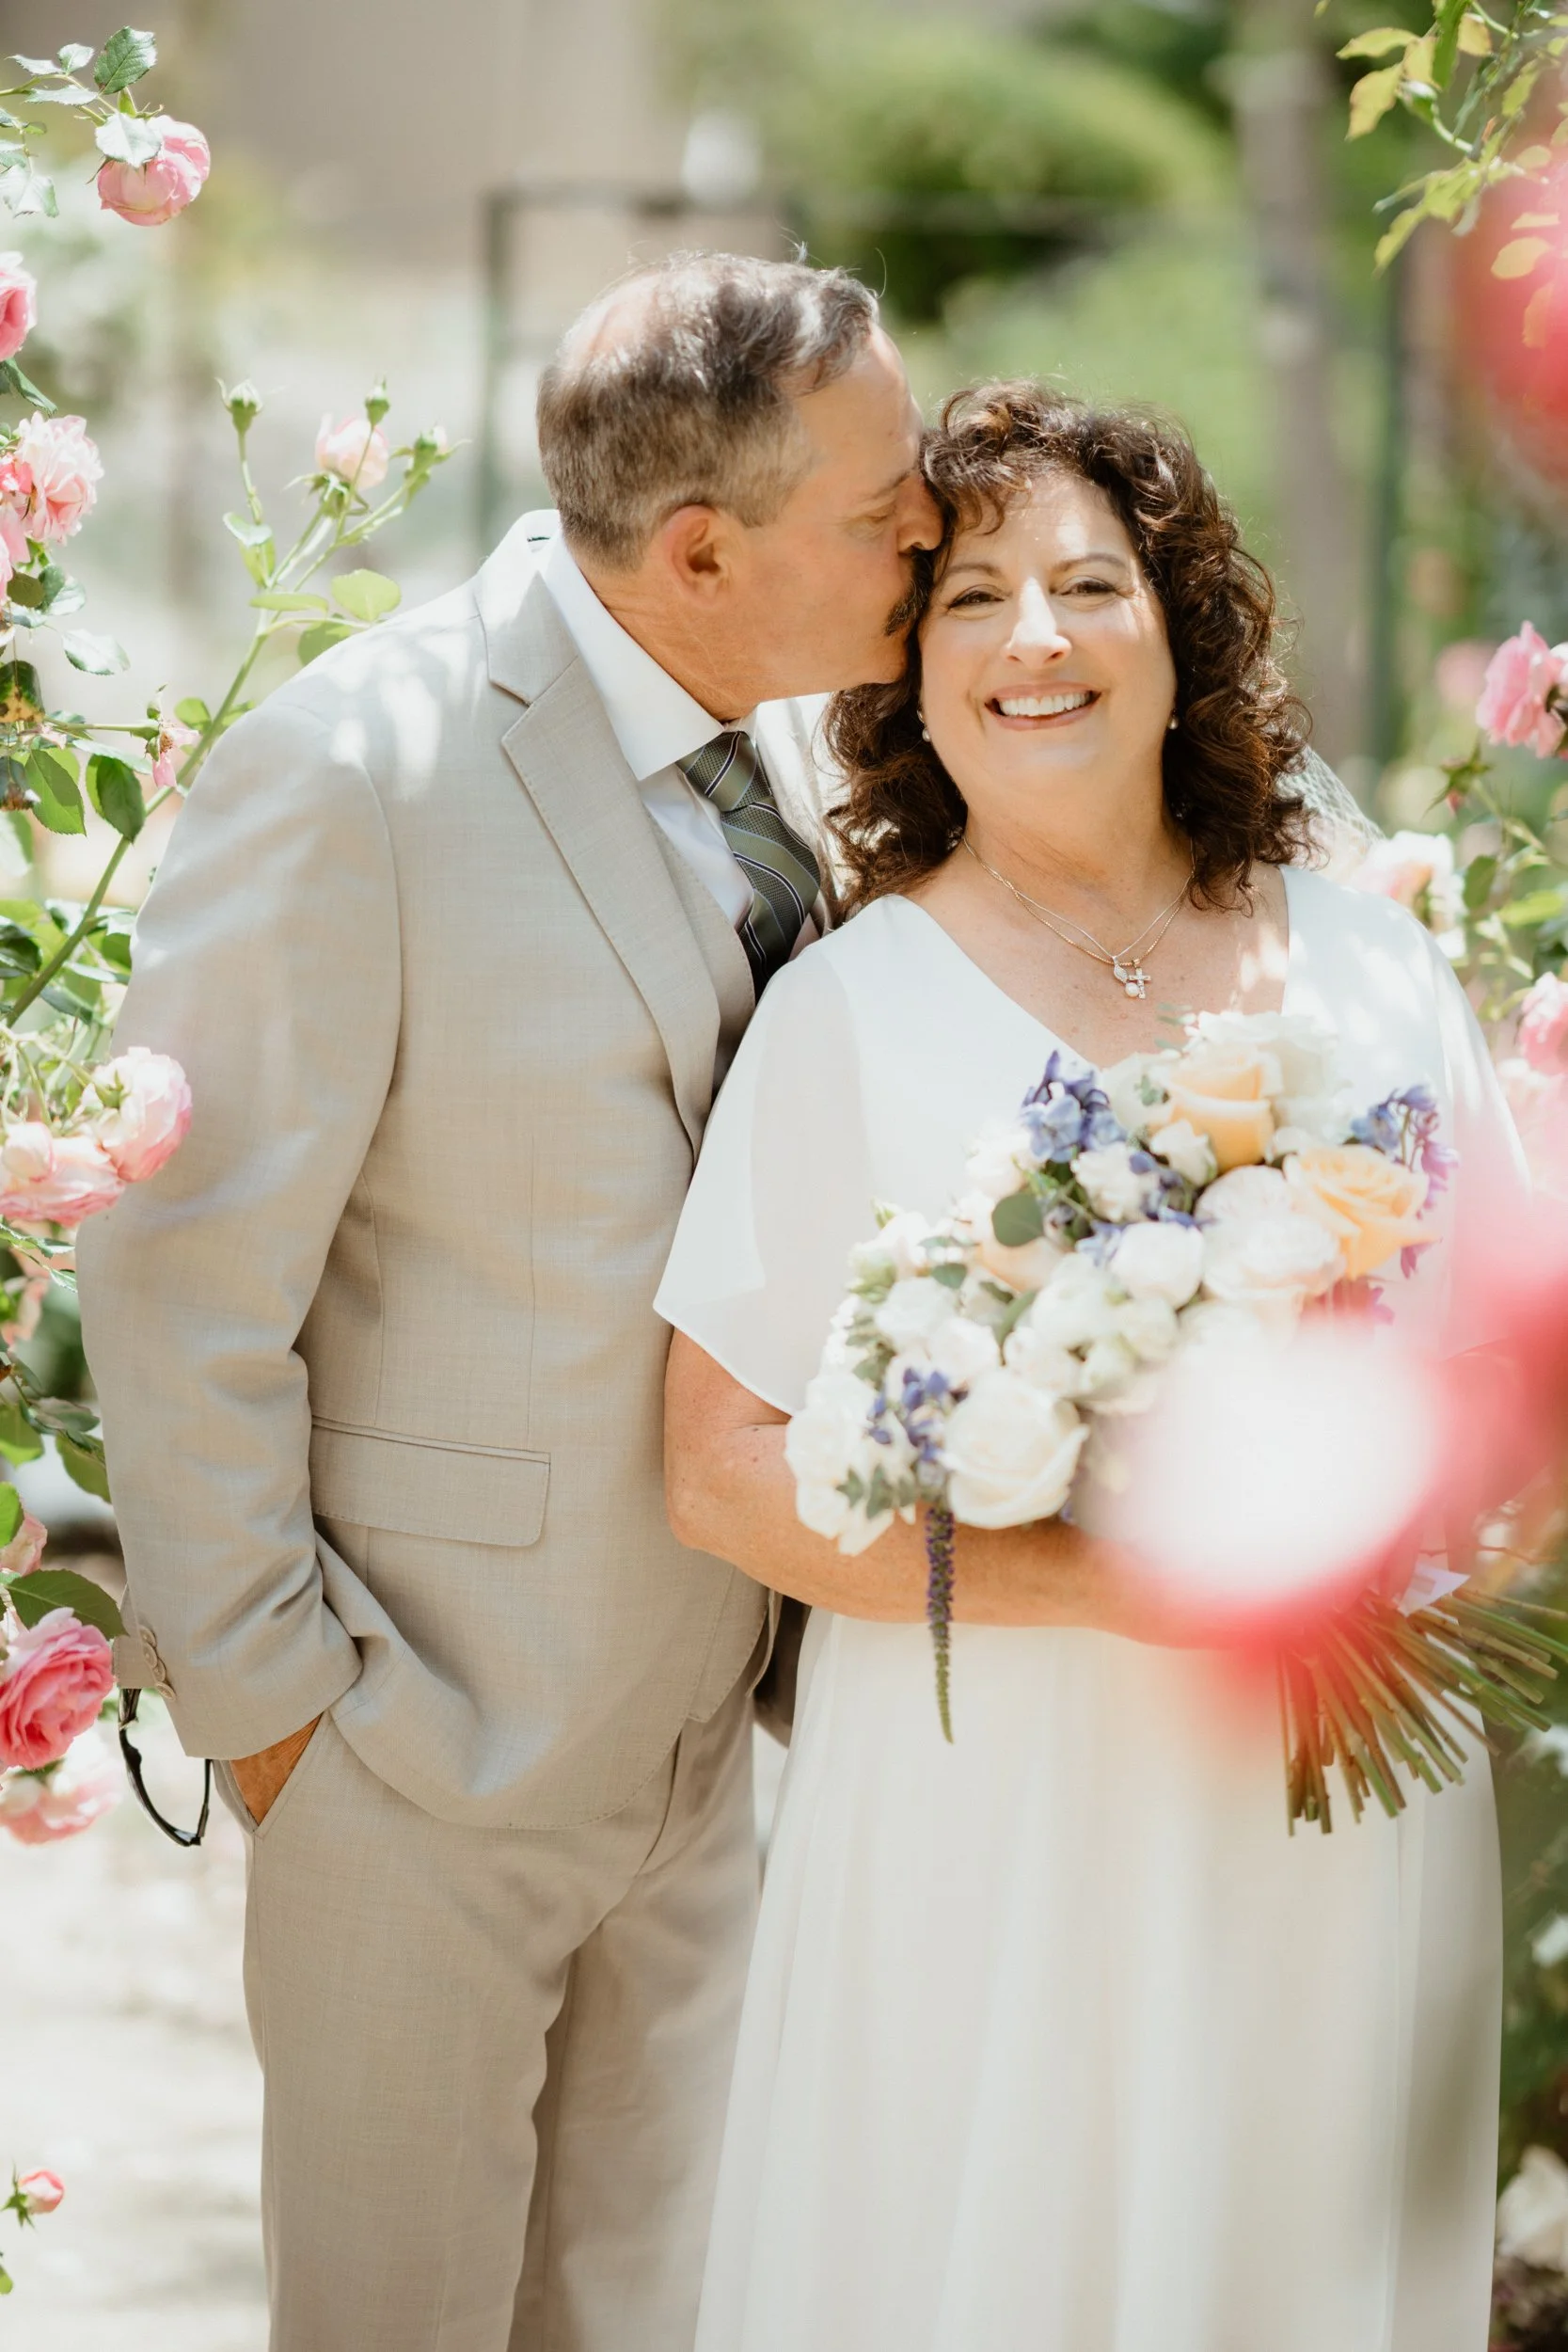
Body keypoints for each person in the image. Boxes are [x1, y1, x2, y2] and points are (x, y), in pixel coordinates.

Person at [75, 252, 941, 2351]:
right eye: (880, 504)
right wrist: (287, 1722)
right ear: (701, 546)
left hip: (703, 1753)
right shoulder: (352, 766)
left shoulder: (807, 761)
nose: (925, 530)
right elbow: (180, 1268)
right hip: (413, 1756)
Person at [659, 383, 1520, 2352]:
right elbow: (719, 1467)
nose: (1031, 638)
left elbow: (1487, 1348)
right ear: (909, 667)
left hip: (1342, 1791)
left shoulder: (1364, 954)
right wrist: (1129, 1579)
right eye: (969, 596)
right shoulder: (843, 1009)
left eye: (1085, 583)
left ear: (1175, 627)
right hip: (999, 1794)